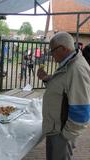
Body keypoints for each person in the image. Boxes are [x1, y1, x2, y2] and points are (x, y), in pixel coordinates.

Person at [37, 32, 90, 160]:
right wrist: (46, 78)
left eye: (53, 51)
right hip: (56, 129)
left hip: (62, 133)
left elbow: (82, 111)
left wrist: (65, 135)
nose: (51, 55)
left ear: (63, 49)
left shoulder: (76, 69)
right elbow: (62, 89)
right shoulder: (68, 63)